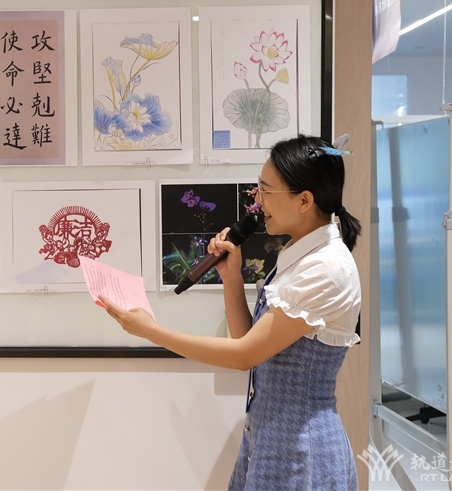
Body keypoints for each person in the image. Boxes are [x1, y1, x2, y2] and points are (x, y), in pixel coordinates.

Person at [99, 134, 362, 491]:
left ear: (304, 200)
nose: (257, 201)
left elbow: (243, 355)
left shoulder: (326, 268)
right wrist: (231, 276)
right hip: (268, 442)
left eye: (266, 190)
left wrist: (151, 331)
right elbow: (249, 343)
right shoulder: (300, 255)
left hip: (302, 451)